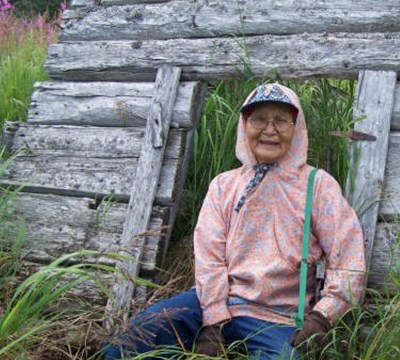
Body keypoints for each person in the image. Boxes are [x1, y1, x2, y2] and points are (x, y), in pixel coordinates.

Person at [102, 83, 366, 359]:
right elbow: (209, 256)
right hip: (214, 305)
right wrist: (214, 318)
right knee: (142, 334)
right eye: (259, 119)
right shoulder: (224, 185)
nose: (270, 130)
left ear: (296, 127)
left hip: (279, 318)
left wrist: (323, 317)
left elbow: (348, 258)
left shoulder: (317, 185)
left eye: (281, 120)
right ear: (244, 125)